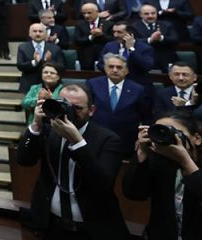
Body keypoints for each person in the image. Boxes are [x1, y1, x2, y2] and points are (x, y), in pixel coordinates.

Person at [17, 84, 129, 239]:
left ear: (91, 110)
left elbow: (103, 182)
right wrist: (36, 125)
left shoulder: (108, 139)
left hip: (91, 229)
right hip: (51, 224)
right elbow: (24, 160)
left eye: (76, 108)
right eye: (63, 105)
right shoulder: (49, 130)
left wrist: (77, 141)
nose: (69, 112)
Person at [124, 114, 202, 239]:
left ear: (197, 138)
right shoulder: (159, 163)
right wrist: (142, 152)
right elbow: (134, 194)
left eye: (174, 133)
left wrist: (185, 161)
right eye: (161, 132)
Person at [88, 53, 152, 158]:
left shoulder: (138, 89)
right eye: (111, 67)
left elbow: (146, 116)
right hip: (97, 137)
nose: (114, 70)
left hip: (126, 141)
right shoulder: (93, 84)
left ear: (127, 71)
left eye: (119, 67)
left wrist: (141, 139)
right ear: (105, 68)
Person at [17, 23, 66, 92]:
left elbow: (62, 67)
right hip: (29, 85)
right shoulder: (22, 47)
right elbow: (20, 66)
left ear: (46, 34)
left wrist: (48, 62)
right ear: (29, 34)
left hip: (51, 85)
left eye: (40, 31)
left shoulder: (55, 48)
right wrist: (35, 62)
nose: (37, 34)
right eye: (34, 31)